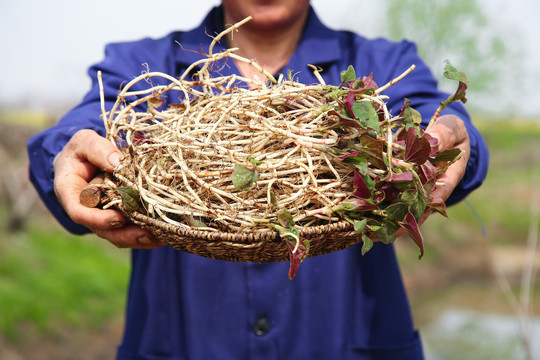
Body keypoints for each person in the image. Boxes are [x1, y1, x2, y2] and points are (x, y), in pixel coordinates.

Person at [27, 1, 489, 359]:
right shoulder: (148, 68)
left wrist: (448, 142)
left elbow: (437, 122)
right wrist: (69, 151)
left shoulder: (379, 66)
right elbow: (83, 129)